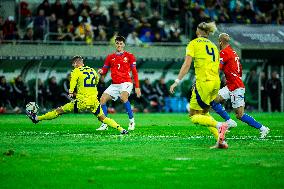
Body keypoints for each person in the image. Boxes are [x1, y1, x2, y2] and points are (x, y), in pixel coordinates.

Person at [26, 55, 128, 135]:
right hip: (94, 101)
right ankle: (121, 129)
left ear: (76, 63)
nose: (73, 66)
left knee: (59, 111)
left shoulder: (76, 71)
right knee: (103, 118)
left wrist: (70, 92)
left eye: (73, 64)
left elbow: (73, 82)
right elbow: (96, 82)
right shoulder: (92, 70)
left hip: (82, 101)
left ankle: (37, 119)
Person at [170, 22, 229, 149]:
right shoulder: (213, 46)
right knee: (203, 113)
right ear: (208, 33)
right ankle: (221, 141)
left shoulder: (193, 43)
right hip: (215, 82)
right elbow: (218, 67)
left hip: (204, 83)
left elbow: (186, 65)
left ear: (197, 32)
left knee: (193, 115)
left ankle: (220, 125)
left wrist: (176, 81)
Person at [211, 33, 270, 139]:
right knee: (213, 100)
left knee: (240, 115)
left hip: (236, 87)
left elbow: (217, 69)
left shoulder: (224, 52)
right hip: (232, 84)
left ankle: (263, 128)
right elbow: (240, 70)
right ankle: (229, 121)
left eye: (218, 41)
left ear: (220, 42)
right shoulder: (233, 52)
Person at [96, 36, 141, 131]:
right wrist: (101, 71)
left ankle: (132, 121)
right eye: (117, 43)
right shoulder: (110, 57)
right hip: (114, 84)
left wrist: (137, 87)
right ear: (115, 44)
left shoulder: (130, 56)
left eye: (121, 43)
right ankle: (105, 124)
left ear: (124, 44)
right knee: (102, 99)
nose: (119, 45)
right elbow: (105, 70)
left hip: (126, 82)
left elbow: (134, 72)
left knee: (123, 97)